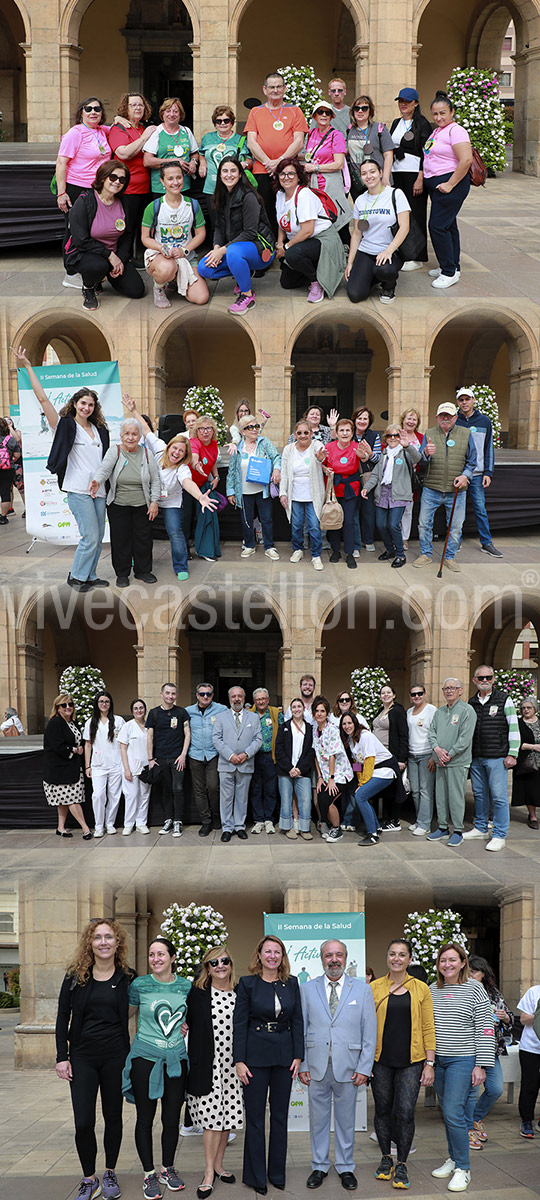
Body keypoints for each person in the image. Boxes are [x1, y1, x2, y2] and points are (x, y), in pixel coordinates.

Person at [12, 345, 110, 592]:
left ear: (94, 407)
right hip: (78, 489)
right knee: (89, 536)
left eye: (91, 404)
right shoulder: (65, 425)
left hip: (99, 490)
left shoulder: (99, 429)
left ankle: (90, 575)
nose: (86, 407)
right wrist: (27, 365)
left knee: (98, 536)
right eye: (83, 403)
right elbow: (43, 399)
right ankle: (76, 576)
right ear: (75, 404)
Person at [55, 918, 135, 1200]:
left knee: (113, 1117)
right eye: (97, 937)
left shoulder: (128, 977)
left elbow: (148, 1005)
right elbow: (62, 1015)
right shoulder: (75, 977)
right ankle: (89, 1179)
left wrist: (180, 1022)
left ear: (117, 942)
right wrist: (62, 1057)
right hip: (82, 1057)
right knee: (83, 1122)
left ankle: (110, 1172)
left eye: (108, 937)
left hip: (115, 1056)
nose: (103, 942)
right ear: (90, 943)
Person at [299, 938, 377, 1191]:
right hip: (316, 1066)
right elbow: (301, 1029)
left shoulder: (362, 990)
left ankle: (345, 1167)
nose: (334, 960)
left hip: (350, 1067)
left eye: (339, 955)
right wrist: (303, 1065)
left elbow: (370, 1032)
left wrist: (364, 1067)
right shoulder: (307, 989)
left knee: (346, 1121)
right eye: (328, 955)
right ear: (322, 959)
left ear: (345, 957)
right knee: (318, 1121)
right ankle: (319, 1166)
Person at [233, 934, 304, 1194]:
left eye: (277, 952)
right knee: (255, 1119)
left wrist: (298, 1055)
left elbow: (297, 1020)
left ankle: (277, 1173)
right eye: (268, 951)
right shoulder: (247, 983)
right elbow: (239, 1023)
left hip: (285, 1058)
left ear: (282, 956)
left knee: (280, 1117)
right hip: (254, 1059)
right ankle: (256, 1177)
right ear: (259, 955)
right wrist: (239, 1060)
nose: (272, 956)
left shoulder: (292, 983)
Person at [122, 936, 191, 1200]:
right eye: (152, 954)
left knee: (171, 1118)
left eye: (161, 954)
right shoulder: (139, 985)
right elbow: (125, 1015)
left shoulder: (186, 986)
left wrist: (187, 1024)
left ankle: (167, 1169)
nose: (155, 959)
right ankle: (149, 1173)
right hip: (145, 1059)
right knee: (145, 1118)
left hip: (176, 1060)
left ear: (172, 958)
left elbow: (192, 1016)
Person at [122, 396, 218, 579]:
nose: (177, 453)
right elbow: (146, 430)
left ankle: (181, 566)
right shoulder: (159, 448)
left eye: (182, 451)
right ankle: (136, 558)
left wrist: (200, 496)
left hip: (171, 502)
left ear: (184, 455)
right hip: (151, 499)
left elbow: (187, 482)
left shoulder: (182, 468)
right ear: (169, 447)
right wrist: (133, 411)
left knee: (175, 531)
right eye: (175, 448)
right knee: (141, 530)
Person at [370, 939, 436, 1190]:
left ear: (409, 959)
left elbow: (428, 1027)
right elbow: (365, 1026)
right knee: (383, 1110)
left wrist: (429, 1063)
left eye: (401, 955)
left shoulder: (421, 988)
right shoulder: (374, 987)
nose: (396, 959)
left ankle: (402, 1163)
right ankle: (386, 1157)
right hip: (380, 1061)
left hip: (412, 1061)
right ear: (387, 957)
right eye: (392, 954)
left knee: (406, 1112)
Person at [430, 943, 495, 1193]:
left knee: (453, 1111)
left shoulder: (475, 988)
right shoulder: (432, 989)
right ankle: (454, 1158)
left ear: (463, 962)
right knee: (448, 1113)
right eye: (443, 960)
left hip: (463, 1060)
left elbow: (485, 1028)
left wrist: (481, 1065)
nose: (447, 964)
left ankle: (464, 1168)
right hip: (438, 1061)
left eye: (452, 960)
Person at [186, 945, 243, 1198]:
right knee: (211, 1121)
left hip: (234, 1067)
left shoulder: (240, 992)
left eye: (225, 961)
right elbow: (183, 1018)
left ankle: (219, 1165)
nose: (220, 966)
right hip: (208, 1066)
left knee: (226, 1119)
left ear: (231, 964)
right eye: (214, 963)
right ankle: (208, 1172)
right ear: (207, 969)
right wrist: (182, 1025)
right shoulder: (197, 994)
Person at [89, 416, 161, 587]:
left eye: (134, 434)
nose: (130, 437)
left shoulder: (146, 453)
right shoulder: (115, 451)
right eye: (127, 433)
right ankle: (122, 574)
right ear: (121, 436)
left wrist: (154, 501)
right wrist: (97, 481)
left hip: (142, 505)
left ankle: (143, 571)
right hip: (118, 505)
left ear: (139, 436)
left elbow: (155, 480)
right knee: (120, 540)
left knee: (143, 540)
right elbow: (104, 469)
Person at [64, 159, 145, 310]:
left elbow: (127, 235)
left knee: (136, 290)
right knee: (98, 266)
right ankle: (89, 287)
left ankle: (104, 275)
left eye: (122, 179)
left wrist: (120, 259)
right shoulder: (85, 201)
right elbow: (81, 240)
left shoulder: (124, 202)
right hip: (86, 253)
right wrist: (109, 255)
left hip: (113, 254)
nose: (117, 182)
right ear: (102, 178)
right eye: (113, 177)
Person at [198, 157, 275, 314]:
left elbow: (250, 233)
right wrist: (216, 248)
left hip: (260, 248)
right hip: (236, 249)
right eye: (225, 171)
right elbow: (218, 227)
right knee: (204, 268)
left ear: (240, 174)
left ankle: (247, 296)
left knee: (233, 251)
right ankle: (243, 272)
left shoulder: (249, 196)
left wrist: (222, 251)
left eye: (233, 171)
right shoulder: (221, 195)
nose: (229, 175)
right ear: (220, 175)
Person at [55, 95, 113, 286]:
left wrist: (120, 119)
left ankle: (87, 269)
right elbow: (61, 162)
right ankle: (70, 274)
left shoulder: (101, 131)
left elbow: (116, 127)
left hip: (96, 190)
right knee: (73, 231)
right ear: (81, 113)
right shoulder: (75, 133)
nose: (93, 112)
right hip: (76, 188)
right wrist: (61, 193)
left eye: (97, 109)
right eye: (88, 109)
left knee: (89, 231)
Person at [414, 401, 477, 572]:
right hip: (431, 488)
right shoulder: (429, 433)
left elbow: (472, 461)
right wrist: (426, 453)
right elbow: (421, 460)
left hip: (456, 490)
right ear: (437, 417)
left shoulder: (465, 434)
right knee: (424, 524)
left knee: (455, 527)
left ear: (456, 417)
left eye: (449, 415)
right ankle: (426, 554)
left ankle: (449, 557)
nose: (445, 418)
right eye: (442, 415)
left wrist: (465, 476)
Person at [462, 665, 519, 852]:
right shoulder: (472, 702)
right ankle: (480, 828)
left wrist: (513, 753)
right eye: (481, 678)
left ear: (493, 679)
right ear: (474, 681)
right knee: (479, 794)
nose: (485, 680)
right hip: (477, 756)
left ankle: (499, 834)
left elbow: (513, 727)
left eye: (488, 677)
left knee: (499, 796)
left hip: (497, 757)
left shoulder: (504, 699)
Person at [244, 72, 308, 237]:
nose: (275, 90)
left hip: (288, 170)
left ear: (285, 89)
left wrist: (279, 162)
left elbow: (299, 142)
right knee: (265, 209)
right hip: (262, 170)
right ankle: (268, 244)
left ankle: (288, 243)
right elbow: (251, 142)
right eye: (271, 87)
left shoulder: (295, 111)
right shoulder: (255, 112)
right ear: (264, 89)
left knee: (289, 208)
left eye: (279, 86)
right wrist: (269, 163)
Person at [275, 157, 345, 303]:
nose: (286, 177)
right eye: (282, 174)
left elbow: (307, 230)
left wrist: (286, 247)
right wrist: (280, 243)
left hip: (322, 239)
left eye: (291, 173)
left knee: (292, 255)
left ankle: (316, 282)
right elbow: (282, 222)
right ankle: (314, 267)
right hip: (303, 242)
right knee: (287, 283)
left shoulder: (304, 195)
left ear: (298, 176)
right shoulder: (280, 195)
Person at [141, 161, 209, 309]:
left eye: (179, 177)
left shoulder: (193, 204)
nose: (175, 182)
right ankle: (159, 287)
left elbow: (200, 234)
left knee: (201, 297)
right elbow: (145, 238)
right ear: (162, 181)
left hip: (186, 256)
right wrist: (161, 248)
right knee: (167, 268)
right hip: (161, 257)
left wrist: (185, 250)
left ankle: (174, 280)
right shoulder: (154, 207)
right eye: (170, 179)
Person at [423, 90, 473, 289]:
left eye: (443, 113)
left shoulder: (456, 130)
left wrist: (450, 184)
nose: (438, 117)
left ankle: (448, 272)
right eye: (435, 114)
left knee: (437, 226)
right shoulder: (437, 131)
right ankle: (453, 265)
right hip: (438, 185)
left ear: (452, 112)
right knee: (449, 226)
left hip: (451, 184)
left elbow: (466, 159)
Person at [346, 159, 410, 305]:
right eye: (364, 173)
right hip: (366, 250)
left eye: (372, 171)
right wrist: (350, 262)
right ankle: (374, 275)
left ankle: (389, 286)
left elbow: (404, 227)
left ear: (380, 173)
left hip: (390, 251)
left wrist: (388, 251)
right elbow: (357, 233)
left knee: (385, 271)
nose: (369, 176)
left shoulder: (396, 194)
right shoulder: (360, 200)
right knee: (355, 294)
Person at [465, 956, 513, 1148]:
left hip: (490, 1049)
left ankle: (476, 1117)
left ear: (484, 974)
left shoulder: (493, 993)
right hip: (469, 1049)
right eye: (468, 971)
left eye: (474, 971)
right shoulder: (463, 991)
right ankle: (468, 1128)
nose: (470, 975)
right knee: (471, 1091)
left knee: (495, 1088)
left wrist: (505, 1018)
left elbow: (508, 1018)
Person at [361, 423, 422, 567]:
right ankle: (390, 550)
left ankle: (400, 554)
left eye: (396, 435)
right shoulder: (384, 454)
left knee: (393, 525)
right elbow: (376, 474)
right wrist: (366, 488)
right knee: (380, 525)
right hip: (383, 492)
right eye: (390, 435)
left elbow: (417, 458)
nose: (393, 438)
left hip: (399, 493)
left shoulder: (405, 452)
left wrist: (407, 446)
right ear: (386, 438)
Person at [341, 713, 406, 847]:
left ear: (355, 723)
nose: (347, 726)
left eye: (349, 723)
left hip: (385, 769)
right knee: (361, 794)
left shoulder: (366, 736)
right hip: (373, 770)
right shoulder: (350, 739)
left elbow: (369, 761)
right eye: (344, 724)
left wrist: (362, 784)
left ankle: (373, 835)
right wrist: (360, 782)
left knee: (360, 795)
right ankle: (376, 827)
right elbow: (357, 763)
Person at [427, 679, 477, 847]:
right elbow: (431, 732)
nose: (449, 691)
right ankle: (442, 828)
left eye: (452, 688)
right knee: (440, 797)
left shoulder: (467, 710)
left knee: (456, 797)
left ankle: (457, 831)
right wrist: (437, 750)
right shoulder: (440, 712)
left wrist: (449, 754)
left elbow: (465, 738)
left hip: (457, 762)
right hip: (440, 761)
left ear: (460, 690)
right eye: (446, 688)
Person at [107, 93, 156, 260]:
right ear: (125, 108)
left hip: (145, 187)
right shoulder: (119, 128)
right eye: (133, 105)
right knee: (126, 227)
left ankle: (139, 258)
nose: (138, 108)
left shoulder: (142, 127)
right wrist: (144, 137)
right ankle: (124, 260)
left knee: (140, 226)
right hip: (128, 189)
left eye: (141, 105)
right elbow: (124, 153)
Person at [226, 414, 281, 559]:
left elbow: (276, 457)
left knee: (266, 519)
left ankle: (269, 546)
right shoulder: (237, 447)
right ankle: (249, 545)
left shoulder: (264, 442)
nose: (255, 429)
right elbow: (232, 471)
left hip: (262, 489)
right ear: (243, 431)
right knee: (247, 520)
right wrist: (230, 491)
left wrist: (277, 469)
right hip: (243, 491)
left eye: (256, 426)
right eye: (250, 427)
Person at [455, 388, 502, 558]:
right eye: (461, 400)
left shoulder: (484, 421)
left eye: (467, 399)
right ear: (458, 402)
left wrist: (488, 472)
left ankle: (486, 542)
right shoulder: (455, 420)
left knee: (480, 509)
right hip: (459, 473)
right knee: (457, 509)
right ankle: (455, 540)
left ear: (473, 400)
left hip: (477, 474)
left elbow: (489, 448)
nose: (464, 402)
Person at [389, 88, 432, 271]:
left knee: (416, 213)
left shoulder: (422, 123)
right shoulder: (396, 122)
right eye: (401, 101)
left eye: (407, 101)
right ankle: (403, 251)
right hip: (397, 173)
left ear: (416, 103)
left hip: (414, 174)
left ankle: (417, 256)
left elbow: (426, 152)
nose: (403, 104)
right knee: (400, 214)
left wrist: (420, 177)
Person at [212, 686, 263, 841]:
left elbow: (258, 739)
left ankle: (239, 826)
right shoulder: (220, 717)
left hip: (245, 764)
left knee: (242, 797)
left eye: (239, 696)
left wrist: (246, 754)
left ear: (244, 698)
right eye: (233, 696)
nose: (237, 699)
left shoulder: (253, 717)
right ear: (229, 698)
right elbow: (216, 739)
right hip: (226, 764)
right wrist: (231, 755)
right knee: (226, 798)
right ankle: (227, 828)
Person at [279, 419, 327, 570]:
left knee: (314, 526)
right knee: (296, 525)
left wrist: (320, 458)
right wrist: (282, 493)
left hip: (313, 494)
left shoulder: (316, 445)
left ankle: (316, 555)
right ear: (295, 434)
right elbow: (284, 473)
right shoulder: (288, 449)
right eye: (299, 433)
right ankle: (298, 549)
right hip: (295, 494)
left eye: (306, 432)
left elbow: (322, 454)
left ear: (311, 433)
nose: (303, 435)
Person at [43, 693, 92, 838]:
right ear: (57, 708)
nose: (68, 707)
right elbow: (56, 746)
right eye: (63, 705)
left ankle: (61, 828)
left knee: (64, 801)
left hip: (72, 767)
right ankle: (85, 828)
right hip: (60, 770)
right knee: (72, 800)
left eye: (70, 704)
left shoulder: (73, 723)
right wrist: (75, 750)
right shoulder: (55, 723)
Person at [303, 102, 352, 243]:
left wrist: (315, 168)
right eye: (320, 112)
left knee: (338, 219)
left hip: (330, 184)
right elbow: (309, 155)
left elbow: (339, 163)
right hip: (314, 186)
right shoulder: (311, 134)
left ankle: (346, 250)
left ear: (331, 116)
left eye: (327, 112)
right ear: (314, 116)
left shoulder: (336, 135)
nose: (324, 115)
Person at [146, 683, 190, 838]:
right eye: (168, 693)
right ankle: (168, 819)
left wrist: (183, 755)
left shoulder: (181, 712)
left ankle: (178, 821)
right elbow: (150, 737)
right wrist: (150, 758)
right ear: (162, 694)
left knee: (177, 789)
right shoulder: (154, 713)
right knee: (165, 790)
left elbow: (187, 734)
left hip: (177, 758)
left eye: (173, 693)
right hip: (160, 759)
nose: (170, 696)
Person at [320, 417, 364, 568]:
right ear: (336, 433)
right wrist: (325, 468)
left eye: (348, 430)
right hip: (333, 488)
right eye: (342, 430)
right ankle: (335, 550)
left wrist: (364, 455)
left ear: (352, 433)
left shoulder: (357, 447)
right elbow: (321, 464)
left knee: (348, 521)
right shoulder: (328, 447)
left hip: (350, 488)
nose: (345, 433)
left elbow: (366, 458)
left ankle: (350, 553)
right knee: (333, 519)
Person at [199, 105, 251, 224]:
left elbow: (249, 160)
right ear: (215, 123)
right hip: (211, 188)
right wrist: (202, 163)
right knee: (215, 223)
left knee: (234, 223)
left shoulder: (241, 140)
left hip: (233, 188)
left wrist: (244, 164)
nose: (222, 123)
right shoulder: (207, 138)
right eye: (219, 121)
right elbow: (201, 154)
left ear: (232, 122)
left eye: (226, 120)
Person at [186, 683, 227, 836]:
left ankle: (216, 816)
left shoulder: (221, 709)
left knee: (213, 787)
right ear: (197, 695)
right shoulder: (188, 711)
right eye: (202, 694)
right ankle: (206, 822)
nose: (205, 696)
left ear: (212, 695)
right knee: (199, 790)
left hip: (213, 754)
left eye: (208, 694)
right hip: (195, 754)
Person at [312, 694, 354, 842]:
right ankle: (329, 826)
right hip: (324, 774)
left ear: (327, 713)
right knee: (320, 798)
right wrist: (319, 777)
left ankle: (337, 829)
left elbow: (332, 756)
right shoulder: (315, 730)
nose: (319, 714)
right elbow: (316, 756)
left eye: (322, 711)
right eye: (317, 711)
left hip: (340, 774)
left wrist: (331, 779)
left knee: (327, 800)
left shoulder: (332, 730)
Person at [83, 692, 125, 837]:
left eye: (107, 701)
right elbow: (88, 745)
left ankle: (110, 824)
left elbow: (124, 743)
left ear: (110, 703)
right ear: (97, 704)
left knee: (114, 796)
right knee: (98, 795)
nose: (104, 704)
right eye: (101, 701)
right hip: (98, 765)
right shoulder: (90, 722)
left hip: (116, 764)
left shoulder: (119, 721)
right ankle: (99, 826)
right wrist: (87, 766)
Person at [143, 97, 198, 197]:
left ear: (180, 114)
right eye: (168, 111)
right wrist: (175, 161)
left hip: (183, 185)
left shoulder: (186, 131)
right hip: (162, 187)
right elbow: (147, 161)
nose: (172, 114)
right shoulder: (157, 132)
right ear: (162, 113)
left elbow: (194, 153)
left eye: (176, 111)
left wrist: (193, 162)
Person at [275, 697, 314, 840]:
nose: (297, 709)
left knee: (305, 799)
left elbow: (311, 751)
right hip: (285, 771)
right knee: (286, 800)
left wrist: (300, 769)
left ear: (303, 709)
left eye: (299, 706)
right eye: (294, 707)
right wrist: (290, 768)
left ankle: (304, 828)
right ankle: (288, 827)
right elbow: (279, 750)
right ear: (291, 710)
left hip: (303, 771)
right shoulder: (284, 727)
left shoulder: (309, 728)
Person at [248, 688, 284, 834]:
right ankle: (258, 820)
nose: (261, 701)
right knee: (255, 789)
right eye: (258, 699)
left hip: (270, 757)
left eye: (263, 698)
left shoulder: (276, 713)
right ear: (254, 701)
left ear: (268, 700)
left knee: (270, 789)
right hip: (253, 757)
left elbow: (282, 734)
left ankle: (269, 819)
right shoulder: (249, 714)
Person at [346, 95, 394, 199]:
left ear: (370, 111)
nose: (360, 111)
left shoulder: (380, 128)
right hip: (358, 182)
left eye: (364, 108)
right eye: (357, 108)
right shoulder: (350, 130)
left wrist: (385, 177)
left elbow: (388, 155)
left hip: (376, 180)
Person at [406, 685, 437, 836]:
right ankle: (419, 820)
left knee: (425, 790)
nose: (417, 696)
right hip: (412, 755)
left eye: (419, 693)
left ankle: (425, 824)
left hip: (426, 755)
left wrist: (433, 756)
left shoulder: (431, 710)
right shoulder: (409, 712)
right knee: (415, 791)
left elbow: (437, 732)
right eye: (413, 694)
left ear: (424, 694)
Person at [118, 699, 151, 834]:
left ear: (145, 710)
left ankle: (141, 823)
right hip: (131, 767)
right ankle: (129, 824)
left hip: (146, 767)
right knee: (131, 796)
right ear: (132, 711)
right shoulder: (128, 726)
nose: (139, 711)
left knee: (144, 796)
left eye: (141, 708)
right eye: (136, 708)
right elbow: (123, 748)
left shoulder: (149, 726)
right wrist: (126, 769)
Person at [352, 406, 381, 554]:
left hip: (368, 478)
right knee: (353, 511)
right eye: (359, 418)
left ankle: (368, 540)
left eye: (365, 418)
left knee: (368, 510)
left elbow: (379, 459)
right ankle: (354, 542)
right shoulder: (348, 433)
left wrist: (369, 454)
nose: (362, 421)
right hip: (350, 477)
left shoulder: (374, 436)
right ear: (354, 419)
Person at [516, 979, 540, 1138]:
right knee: (530, 1085)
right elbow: (523, 1019)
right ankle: (526, 1120)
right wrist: (538, 1014)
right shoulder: (534, 991)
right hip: (531, 1047)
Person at [512, 698, 540, 829]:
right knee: (530, 790)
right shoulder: (518, 724)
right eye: (523, 708)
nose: (526, 710)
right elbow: (513, 742)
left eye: (529, 707)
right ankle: (533, 816)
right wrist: (533, 747)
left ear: (535, 708)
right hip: (527, 763)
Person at [399, 408, 424, 547]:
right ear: (403, 420)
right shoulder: (395, 433)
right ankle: (395, 536)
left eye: (414, 419)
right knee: (396, 508)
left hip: (412, 478)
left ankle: (404, 538)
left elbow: (423, 457)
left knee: (408, 510)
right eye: (409, 418)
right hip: (397, 477)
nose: (411, 421)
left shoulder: (421, 437)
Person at [0, 417, 20, 525]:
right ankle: (3, 517)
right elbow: (17, 454)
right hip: (7, 469)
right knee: (5, 493)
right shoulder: (10, 439)